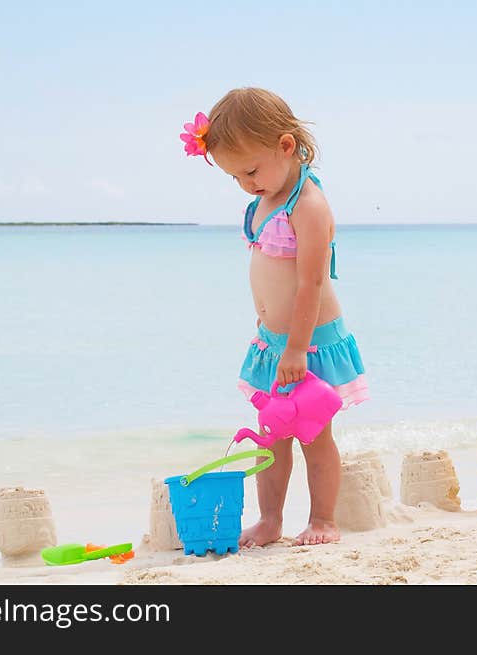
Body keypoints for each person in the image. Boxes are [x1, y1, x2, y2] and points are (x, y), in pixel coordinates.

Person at [180, 87, 369, 547]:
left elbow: (311, 283)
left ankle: (324, 519)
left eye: (250, 170)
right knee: (271, 441)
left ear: (286, 146)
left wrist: (298, 347)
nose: (246, 183)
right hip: (273, 344)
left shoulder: (308, 206)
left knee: (314, 438)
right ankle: (270, 521)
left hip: (308, 344)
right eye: (235, 177)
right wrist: (273, 336)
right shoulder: (263, 201)